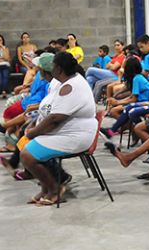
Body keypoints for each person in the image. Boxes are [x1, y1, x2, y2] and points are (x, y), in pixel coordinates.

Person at [20, 52, 97, 205]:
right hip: (66, 132)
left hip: (76, 136)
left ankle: (55, 189)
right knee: (28, 146)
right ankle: (46, 188)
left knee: (27, 155)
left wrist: (35, 131)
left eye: (54, 65)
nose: (51, 68)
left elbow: (55, 119)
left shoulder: (71, 87)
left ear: (59, 69)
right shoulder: (63, 82)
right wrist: (34, 125)